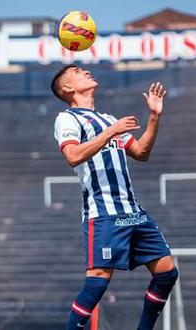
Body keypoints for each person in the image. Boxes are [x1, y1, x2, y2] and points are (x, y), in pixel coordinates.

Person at [51, 65, 178, 330]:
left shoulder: (109, 119)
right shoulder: (68, 119)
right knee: (97, 281)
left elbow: (142, 152)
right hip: (103, 213)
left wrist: (154, 117)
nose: (85, 71)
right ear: (68, 88)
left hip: (133, 212)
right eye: (77, 71)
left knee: (167, 272)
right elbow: (73, 155)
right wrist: (111, 132)